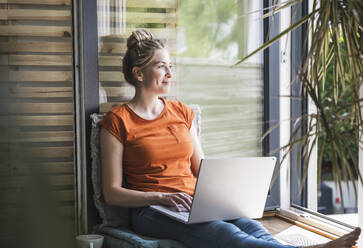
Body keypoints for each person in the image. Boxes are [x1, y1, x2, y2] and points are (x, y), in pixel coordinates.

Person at [100, 29, 361, 248]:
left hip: (197, 202)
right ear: (139, 74)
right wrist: (159, 197)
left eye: (171, 65)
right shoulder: (118, 120)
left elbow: (201, 168)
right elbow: (112, 194)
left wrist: (226, 193)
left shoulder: (181, 111)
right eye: (160, 66)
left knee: (250, 227)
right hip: (152, 211)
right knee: (228, 235)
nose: (169, 72)